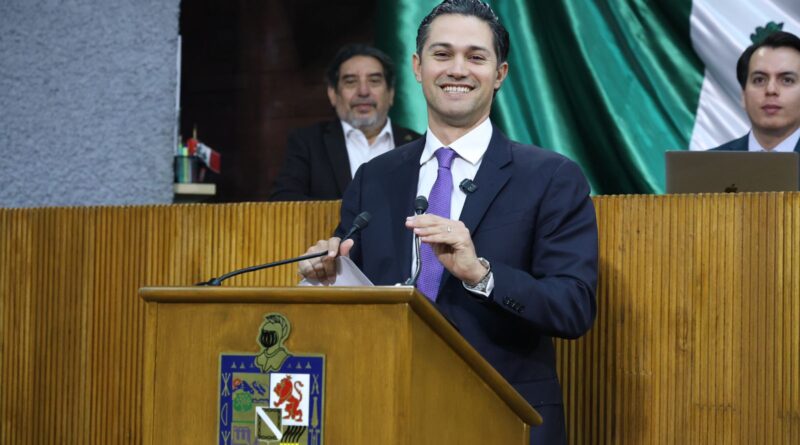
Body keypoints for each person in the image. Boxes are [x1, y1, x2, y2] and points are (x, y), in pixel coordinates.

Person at [298, 1, 597, 443]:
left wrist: (481, 274)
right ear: (418, 67)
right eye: (442, 55)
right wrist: (325, 275)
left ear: (500, 74)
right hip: (385, 411)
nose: (457, 69)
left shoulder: (551, 177)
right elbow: (356, 298)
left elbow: (573, 307)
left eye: (475, 57)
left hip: (503, 414)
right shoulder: (374, 178)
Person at [269, 44, 421, 201]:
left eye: (374, 81)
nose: (363, 91)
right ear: (333, 94)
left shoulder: (419, 145)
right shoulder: (308, 143)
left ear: (391, 93)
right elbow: (283, 202)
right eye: (351, 82)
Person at [711, 31, 800, 152]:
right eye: (759, 80)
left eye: (787, 80)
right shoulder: (707, 165)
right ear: (743, 94)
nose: (771, 90)